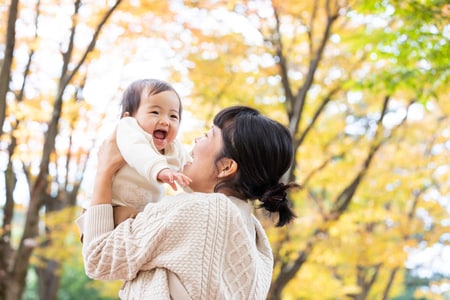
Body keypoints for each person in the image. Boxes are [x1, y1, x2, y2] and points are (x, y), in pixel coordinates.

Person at [82, 106, 298, 299]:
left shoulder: (199, 209)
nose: (196, 140)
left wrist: (106, 169)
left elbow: (98, 258)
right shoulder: (255, 236)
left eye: (208, 135)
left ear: (225, 167)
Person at [76, 78, 191, 232]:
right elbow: (138, 151)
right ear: (129, 117)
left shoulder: (176, 148)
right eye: (155, 112)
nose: (165, 121)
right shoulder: (129, 130)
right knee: (140, 225)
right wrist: (161, 170)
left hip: (142, 212)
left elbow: (190, 171)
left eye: (173, 116)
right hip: (111, 207)